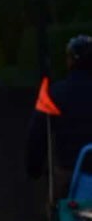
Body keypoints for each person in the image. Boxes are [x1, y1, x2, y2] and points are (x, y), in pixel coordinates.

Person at [26, 34, 92, 200]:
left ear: (70, 61)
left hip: (70, 175)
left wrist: (34, 168)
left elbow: (37, 134)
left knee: (61, 207)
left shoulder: (53, 94)